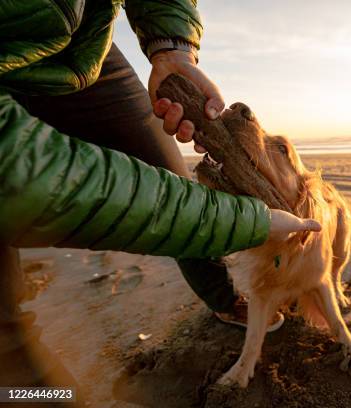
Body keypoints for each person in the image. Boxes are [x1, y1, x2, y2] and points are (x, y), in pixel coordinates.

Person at [0, 0, 319, 392]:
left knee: (170, 171)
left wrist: (173, 47)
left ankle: (223, 295)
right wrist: (250, 222)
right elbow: (34, 179)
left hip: (81, 44)